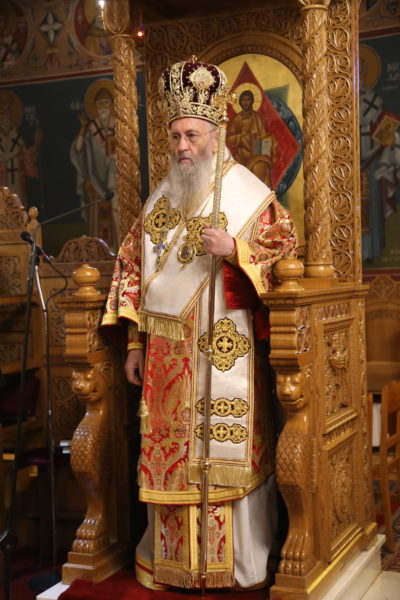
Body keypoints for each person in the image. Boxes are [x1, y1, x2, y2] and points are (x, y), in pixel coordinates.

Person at [101, 58, 297, 592]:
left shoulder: (249, 194)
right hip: (167, 359)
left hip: (224, 348)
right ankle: (173, 565)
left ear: (216, 133)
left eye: (192, 135)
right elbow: (132, 270)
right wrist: (135, 343)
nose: (182, 146)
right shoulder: (161, 200)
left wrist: (236, 249)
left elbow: (287, 258)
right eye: (175, 136)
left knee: (222, 457)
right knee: (173, 459)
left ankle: (234, 567)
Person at [70, 81, 118, 249]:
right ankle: (98, 251)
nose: (103, 107)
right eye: (100, 104)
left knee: (116, 216)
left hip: (115, 183)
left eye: (106, 103)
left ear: (111, 105)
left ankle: (118, 249)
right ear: (95, 107)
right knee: (97, 219)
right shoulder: (91, 129)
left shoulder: (119, 126)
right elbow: (78, 149)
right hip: (96, 182)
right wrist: (82, 130)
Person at [227, 89, 277, 188]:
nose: (246, 102)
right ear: (240, 102)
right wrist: (240, 137)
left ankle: (262, 193)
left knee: (261, 166)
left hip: (256, 152)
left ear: (252, 101)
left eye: (248, 99)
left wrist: (268, 141)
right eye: (243, 100)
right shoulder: (237, 119)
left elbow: (263, 135)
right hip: (242, 155)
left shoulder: (257, 117)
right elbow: (230, 138)